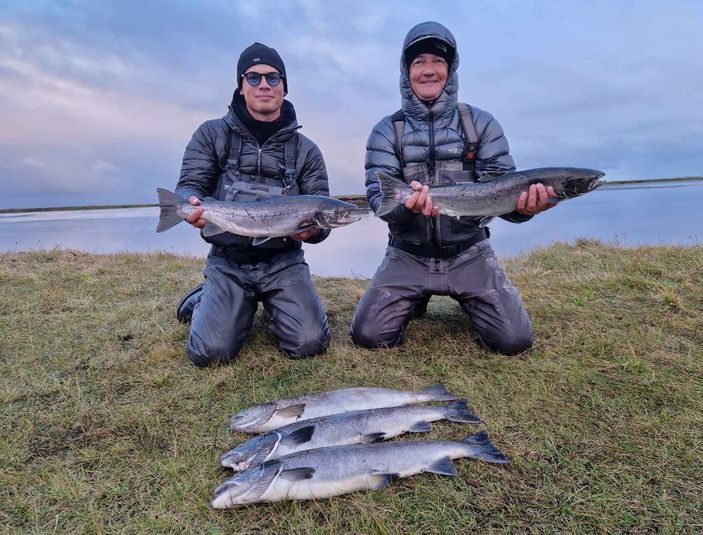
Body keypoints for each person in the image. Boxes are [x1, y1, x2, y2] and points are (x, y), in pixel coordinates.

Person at [350, 21, 556, 355]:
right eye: (419, 63)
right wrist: (407, 206)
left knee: (514, 341)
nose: (428, 71)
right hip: (408, 251)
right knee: (368, 336)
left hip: (469, 251)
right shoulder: (387, 131)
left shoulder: (481, 125)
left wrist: (524, 210)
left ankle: (465, 292)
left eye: (438, 62)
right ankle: (414, 294)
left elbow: (503, 192)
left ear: (451, 69)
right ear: (406, 72)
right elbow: (379, 200)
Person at [174, 42, 331, 367]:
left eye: (273, 78)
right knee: (210, 354)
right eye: (254, 77)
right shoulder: (211, 134)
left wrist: (313, 233)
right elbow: (189, 185)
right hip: (228, 260)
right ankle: (204, 299)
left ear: (284, 86)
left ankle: (273, 304)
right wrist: (187, 202)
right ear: (241, 85)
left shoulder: (307, 151)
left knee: (310, 343)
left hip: (284, 261)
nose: (264, 85)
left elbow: (323, 222)